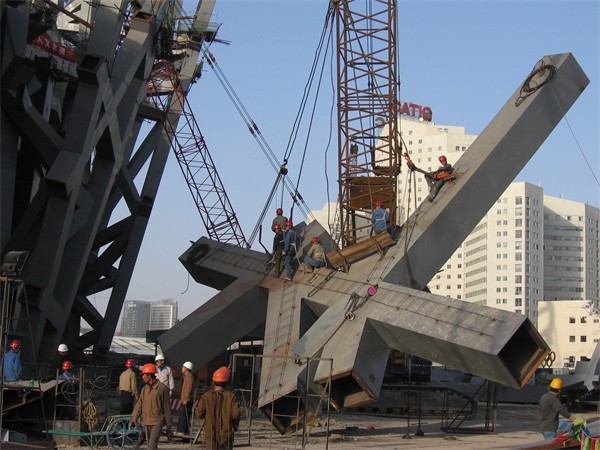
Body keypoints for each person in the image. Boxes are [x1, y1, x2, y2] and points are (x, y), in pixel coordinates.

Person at [195, 366, 240, 450]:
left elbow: (199, 414)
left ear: (214, 382)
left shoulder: (206, 397)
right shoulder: (231, 397)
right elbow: (236, 414)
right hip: (226, 437)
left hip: (210, 436)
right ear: (225, 383)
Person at [131, 363, 173, 450]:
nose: (142, 377)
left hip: (157, 420)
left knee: (151, 446)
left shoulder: (162, 388)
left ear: (149, 375)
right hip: (147, 420)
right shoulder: (144, 389)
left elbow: (167, 407)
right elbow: (139, 404)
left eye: (144, 375)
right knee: (150, 446)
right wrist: (134, 417)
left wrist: (169, 425)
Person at [176, 361, 195, 435]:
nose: (182, 368)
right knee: (185, 415)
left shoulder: (189, 376)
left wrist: (186, 398)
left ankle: (182, 431)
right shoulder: (186, 376)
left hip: (188, 400)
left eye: (183, 367)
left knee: (185, 415)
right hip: (186, 399)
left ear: (186, 368)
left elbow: (189, 388)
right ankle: (185, 430)